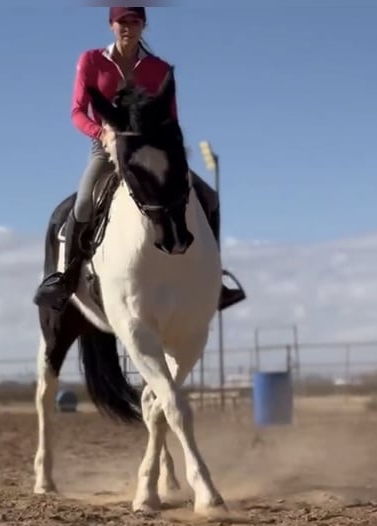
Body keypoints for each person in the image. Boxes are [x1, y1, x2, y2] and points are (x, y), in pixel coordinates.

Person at [33, 6, 246, 312]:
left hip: (153, 154)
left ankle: (215, 278)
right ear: (110, 24)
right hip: (106, 150)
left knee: (209, 198)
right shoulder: (91, 61)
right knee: (82, 204)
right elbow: (77, 112)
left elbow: (171, 119)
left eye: (134, 21)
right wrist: (101, 133)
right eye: (121, 21)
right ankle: (66, 278)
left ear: (144, 25)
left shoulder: (159, 69)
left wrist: (171, 153)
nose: (127, 27)